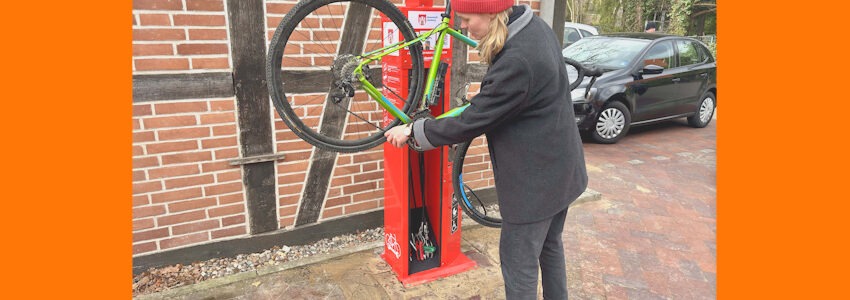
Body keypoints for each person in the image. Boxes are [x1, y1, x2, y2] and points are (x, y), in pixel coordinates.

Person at [384, 0, 588, 299]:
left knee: (519, 265)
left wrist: (415, 131)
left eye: (466, 18)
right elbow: (501, 102)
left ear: (490, 12)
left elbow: (472, 121)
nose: (462, 26)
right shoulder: (534, 26)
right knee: (550, 245)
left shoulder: (517, 59)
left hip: (536, 186)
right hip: (563, 169)